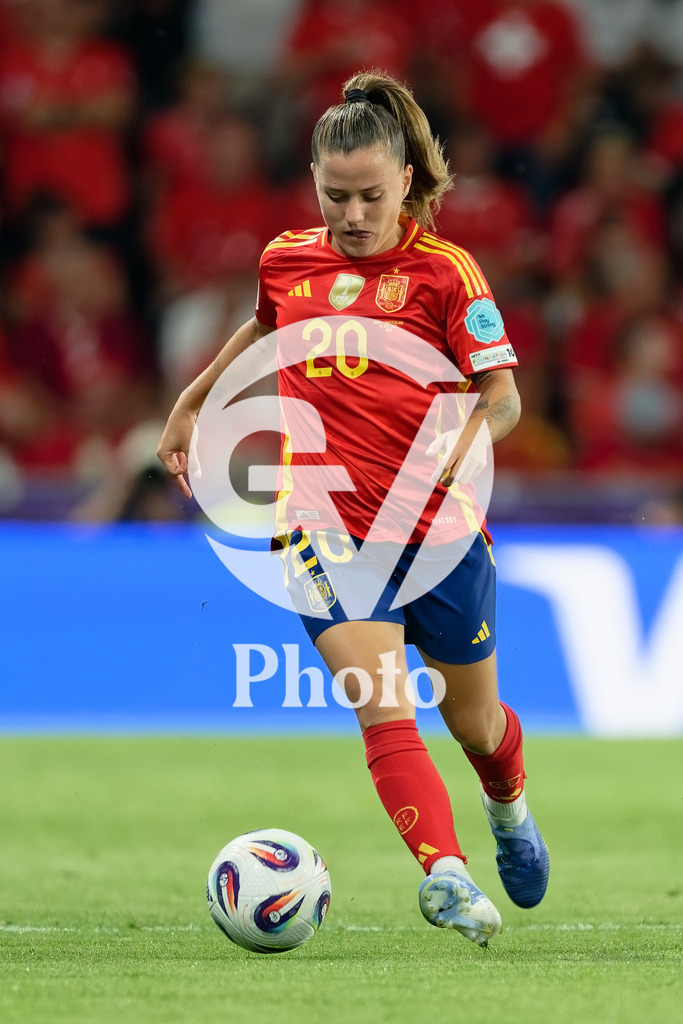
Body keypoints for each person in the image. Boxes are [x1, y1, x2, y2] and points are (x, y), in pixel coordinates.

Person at [157, 70, 549, 947]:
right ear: (312, 182)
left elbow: (505, 397)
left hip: (439, 539)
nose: (353, 214)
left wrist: (456, 455)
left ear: (405, 181)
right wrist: (190, 403)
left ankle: (508, 808)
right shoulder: (286, 258)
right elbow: (261, 325)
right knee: (381, 704)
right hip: (326, 530)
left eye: (371, 195)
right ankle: (444, 875)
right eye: (335, 196)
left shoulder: (446, 273)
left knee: (475, 723)